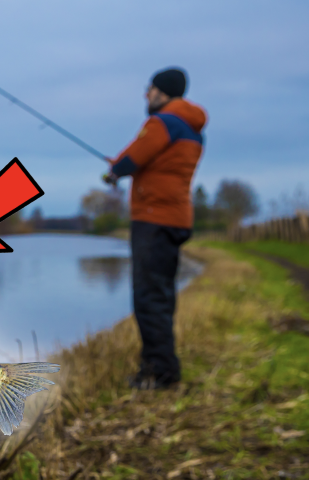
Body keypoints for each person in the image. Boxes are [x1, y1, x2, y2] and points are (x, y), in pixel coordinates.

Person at [103, 67, 208, 389]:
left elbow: (135, 156)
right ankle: (163, 365)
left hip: (153, 218)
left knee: (149, 298)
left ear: (163, 92)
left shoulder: (162, 122)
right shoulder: (192, 128)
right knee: (161, 294)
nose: (146, 95)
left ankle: (159, 373)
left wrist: (114, 172)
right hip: (176, 218)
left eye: (150, 89)